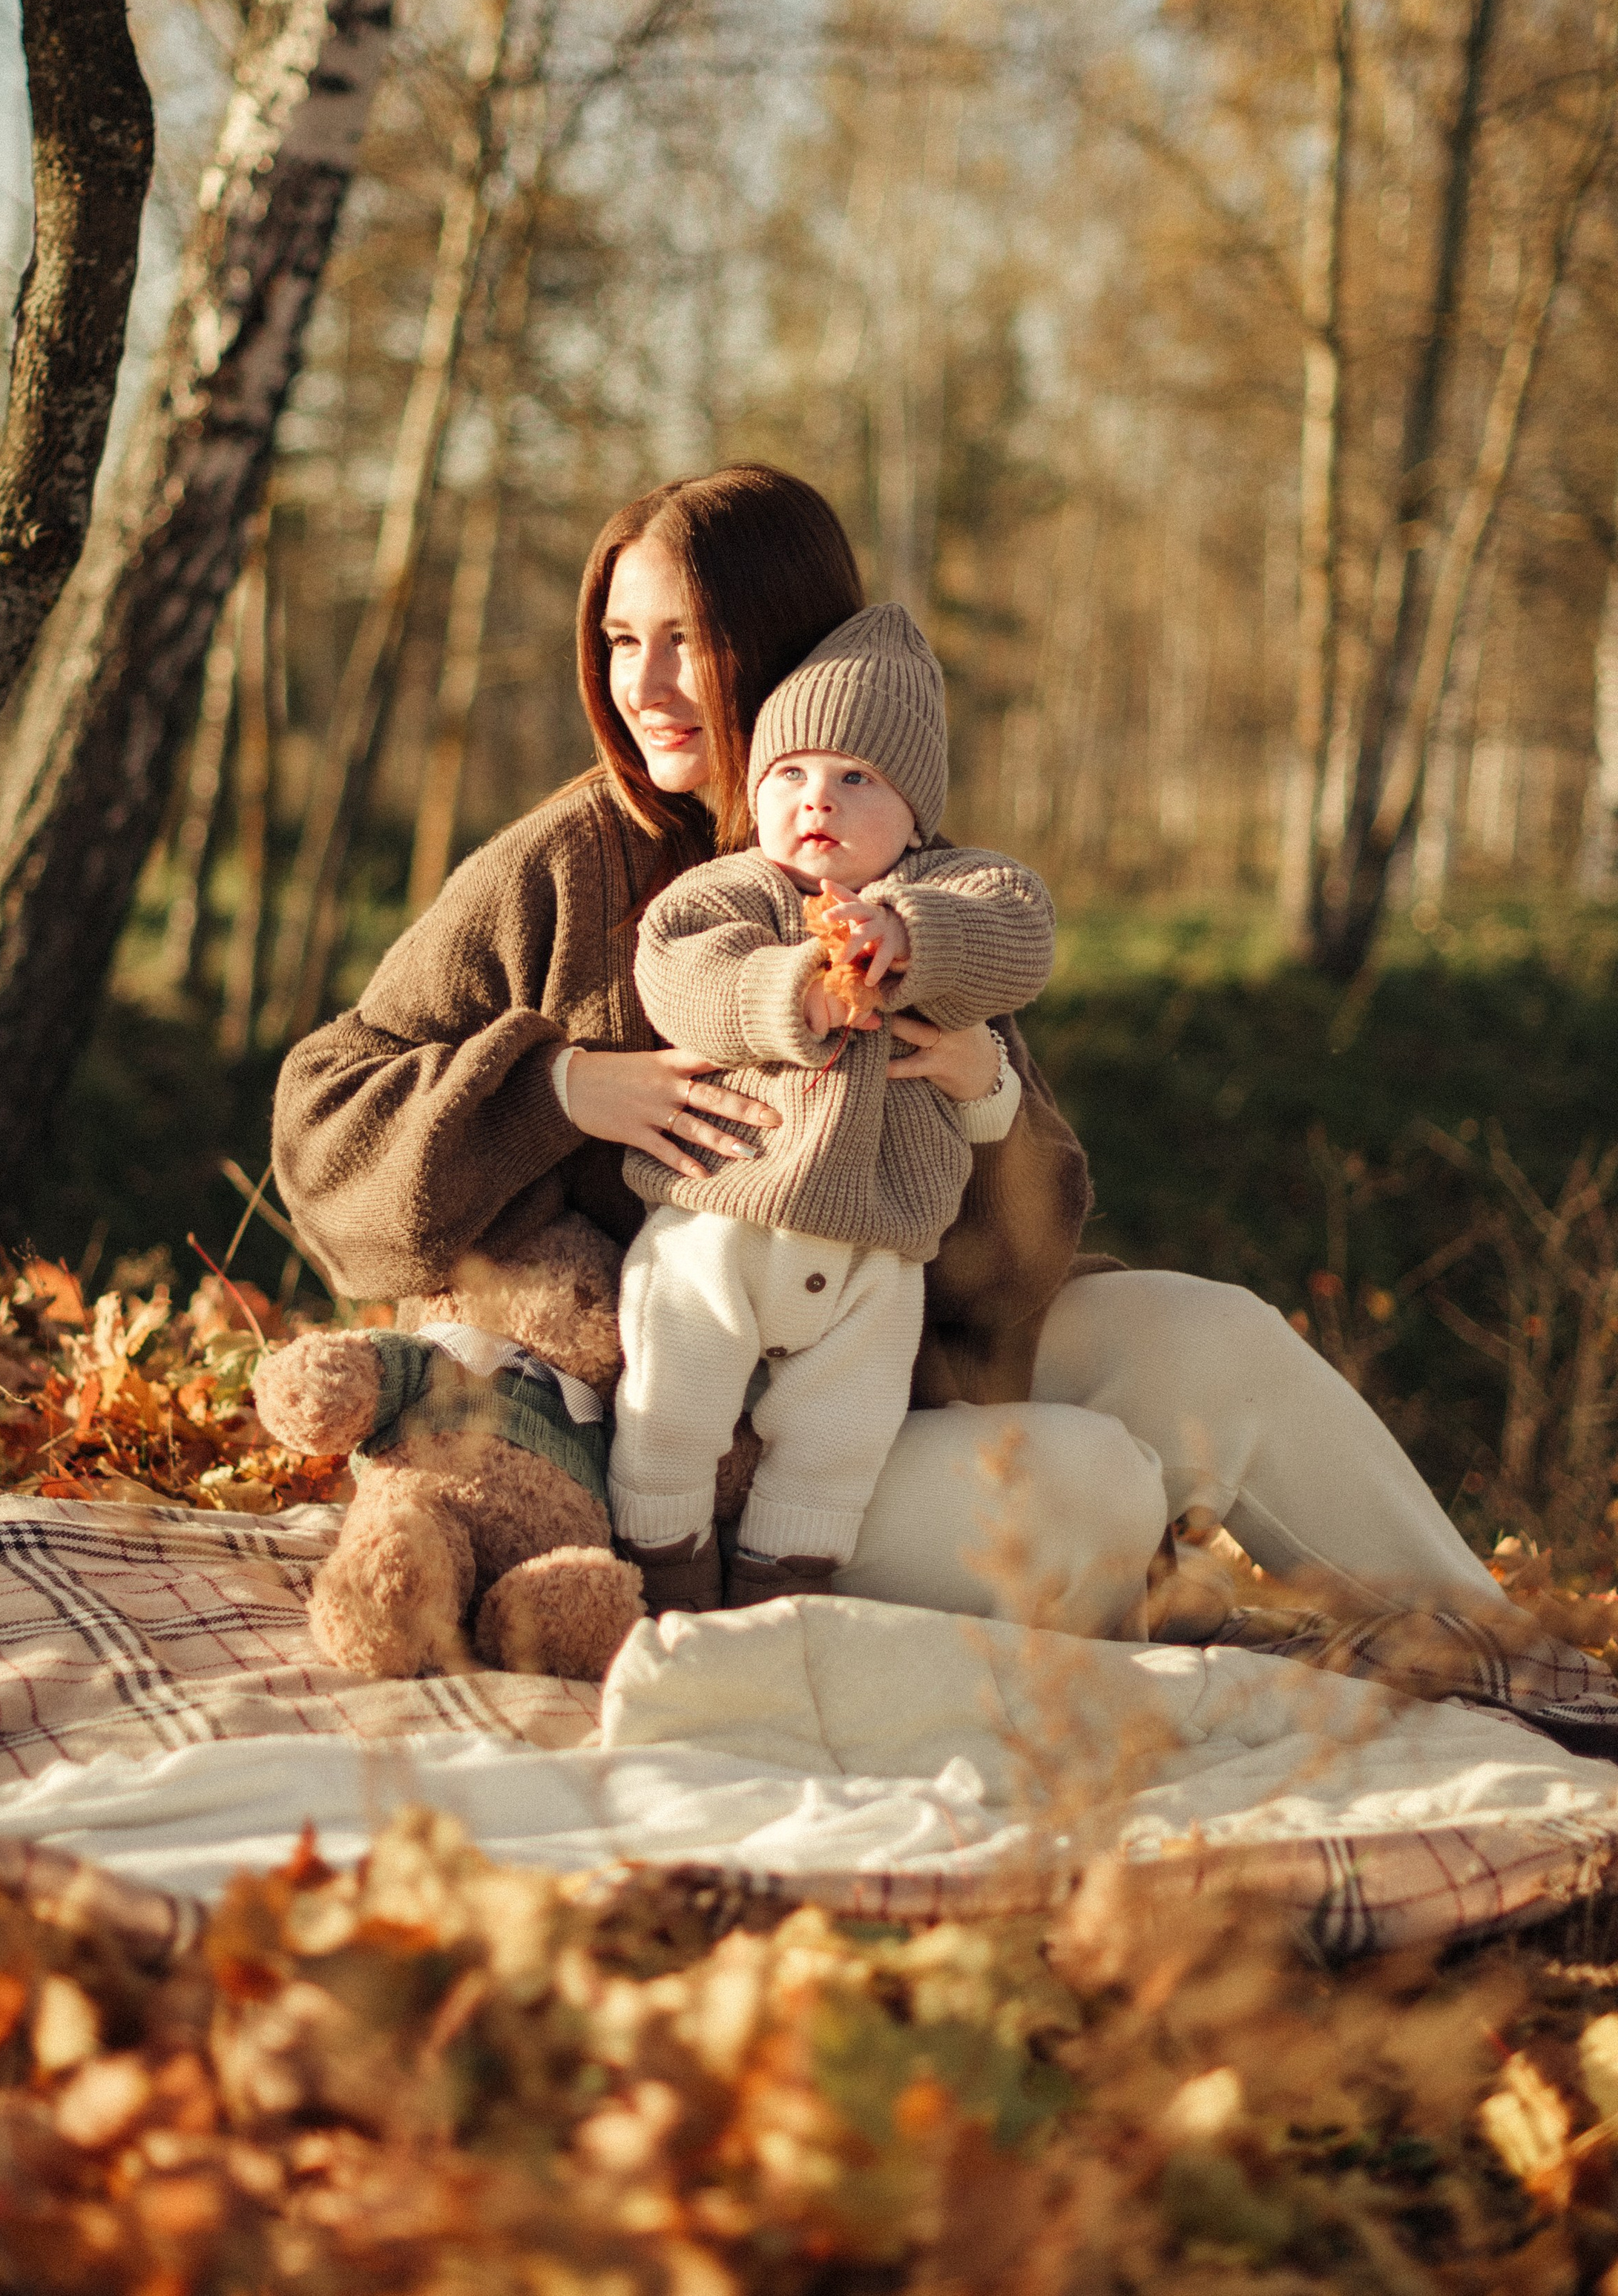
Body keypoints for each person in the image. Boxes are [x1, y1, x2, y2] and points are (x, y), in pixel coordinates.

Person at [274, 465, 1511, 1639]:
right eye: (618, 640)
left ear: (793, 650)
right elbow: (323, 1124)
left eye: (683, 641)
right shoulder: (556, 866)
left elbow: (1027, 1253)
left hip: (885, 1363)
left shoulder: (904, 881)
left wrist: (984, 1095)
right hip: (673, 1456)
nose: (642, 684)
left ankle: (1512, 1659)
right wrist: (559, 1091)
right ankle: (807, 1606)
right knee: (1088, 1493)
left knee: (1224, 1339)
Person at [611, 600, 1056, 1614]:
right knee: (669, 1404)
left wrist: (902, 937)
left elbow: (1021, 932)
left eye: (858, 778)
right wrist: (793, 991)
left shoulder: (944, 887)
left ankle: (785, 1590)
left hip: (876, 1253)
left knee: (842, 1435)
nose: (820, 800)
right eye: (791, 775)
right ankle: (661, 1569)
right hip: (721, 1224)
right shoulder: (731, 893)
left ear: (915, 816)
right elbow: (674, 976)